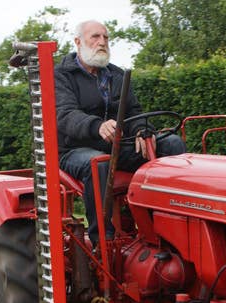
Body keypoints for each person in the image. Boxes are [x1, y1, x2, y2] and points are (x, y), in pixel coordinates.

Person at [55, 20, 186, 244]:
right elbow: (66, 115)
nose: (102, 42)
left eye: (105, 38)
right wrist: (97, 126)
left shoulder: (116, 75)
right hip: (74, 149)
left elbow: (133, 112)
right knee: (99, 162)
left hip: (116, 145)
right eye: (95, 37)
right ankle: (102, 241)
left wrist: (142, 131)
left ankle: (170, 226)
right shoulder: (61, 75)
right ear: (78, 42)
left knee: (171, 143)